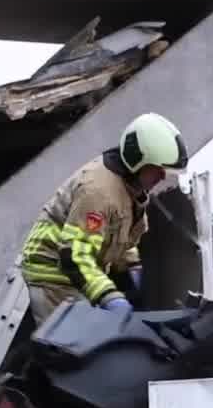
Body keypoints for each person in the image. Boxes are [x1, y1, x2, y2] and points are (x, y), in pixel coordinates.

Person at [19, 112, 189, 323]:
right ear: (138, 160)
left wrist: (133, 266)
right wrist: (110, 297)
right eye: (158, 169)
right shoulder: (98, 192)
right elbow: (74, 256)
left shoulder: (130, 189)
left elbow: (118, 234)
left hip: (75, 273)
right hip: (53, 274)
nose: (163, 176)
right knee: (73, 341)